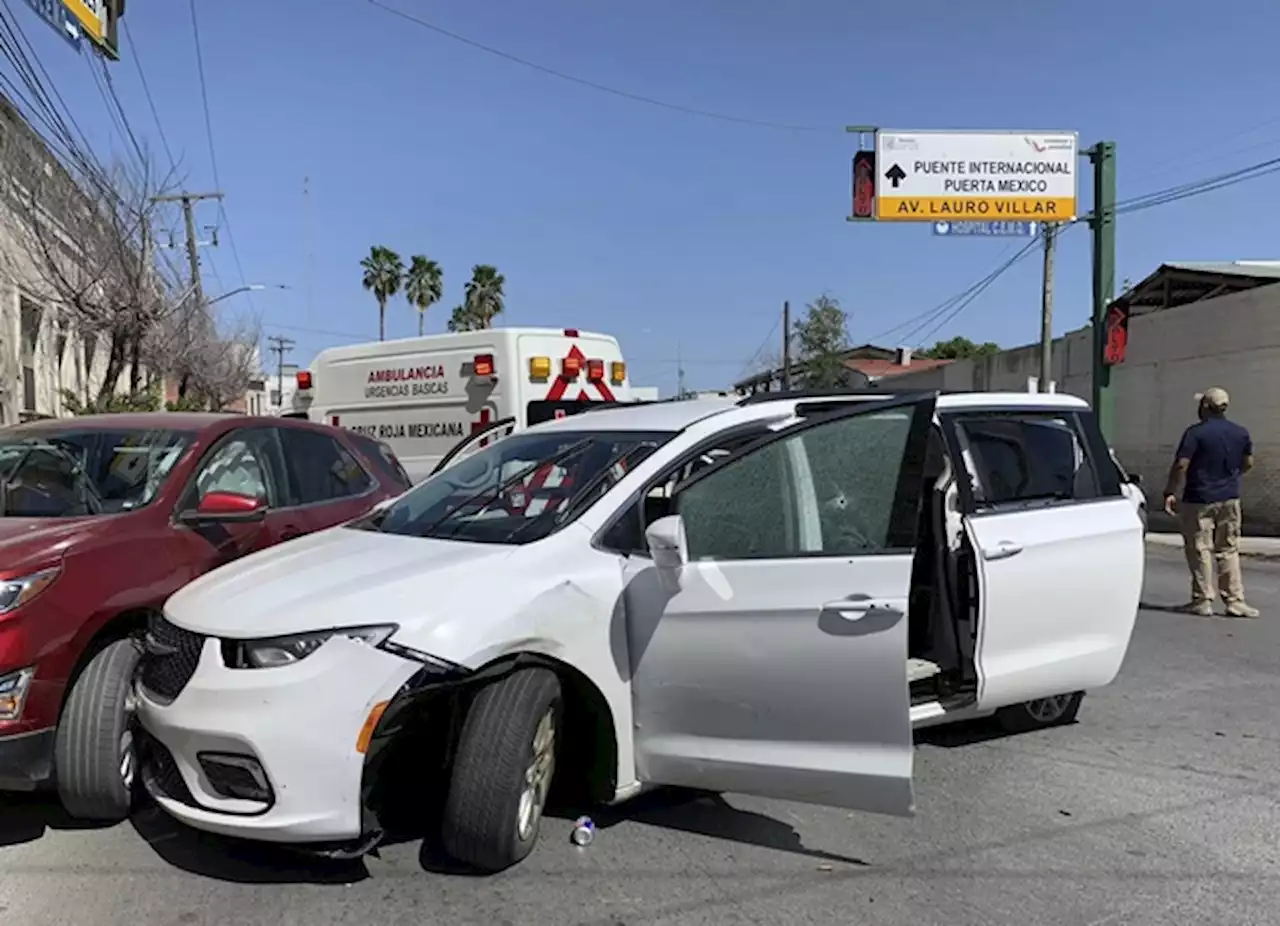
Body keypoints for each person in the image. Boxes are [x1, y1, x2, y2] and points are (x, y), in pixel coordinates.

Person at [1162, 387, 1259, 618]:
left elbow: (1181, 464)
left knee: (1199, 548)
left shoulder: (1195, 433)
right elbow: (1248, 463)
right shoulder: (1241, 433)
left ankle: (1202, 599)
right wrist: (1229, 478)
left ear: (1205, 406)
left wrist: (1170, 491)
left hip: (1199, 498)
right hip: (1229, 498)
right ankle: (1234, 600)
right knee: (1228, 548)